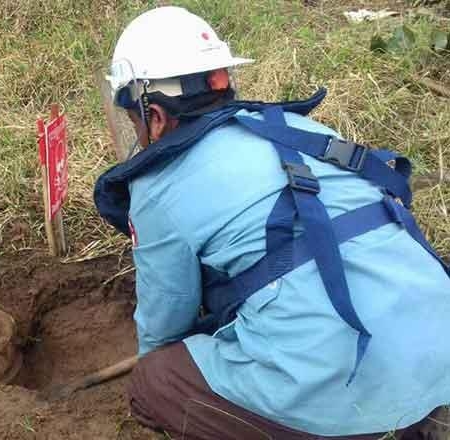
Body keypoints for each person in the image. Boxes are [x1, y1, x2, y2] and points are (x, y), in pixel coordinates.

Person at [94, 6, 450, 440]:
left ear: (155, 116)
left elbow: (165, 327)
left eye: (134, 121)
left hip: (358, 407)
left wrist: (166, 357)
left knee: (155, 382)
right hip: (439, 354)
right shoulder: (301, 129)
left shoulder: (158, 188)